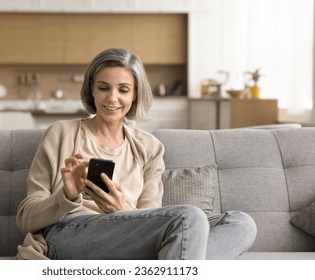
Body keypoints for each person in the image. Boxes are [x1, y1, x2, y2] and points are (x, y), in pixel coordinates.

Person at [16, 48, 256, 260]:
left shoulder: (149, 148)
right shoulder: (61, 133)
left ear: (135, 95)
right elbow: (25, 219)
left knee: (241, 224)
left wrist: (121, 208)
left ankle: (170, 257)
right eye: (103, 88)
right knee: (189, 218)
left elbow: (152, 218)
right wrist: (66, 195)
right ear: (91, 89)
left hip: (131, 235)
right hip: (71, 232)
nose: (112, 98)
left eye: (123, 90)